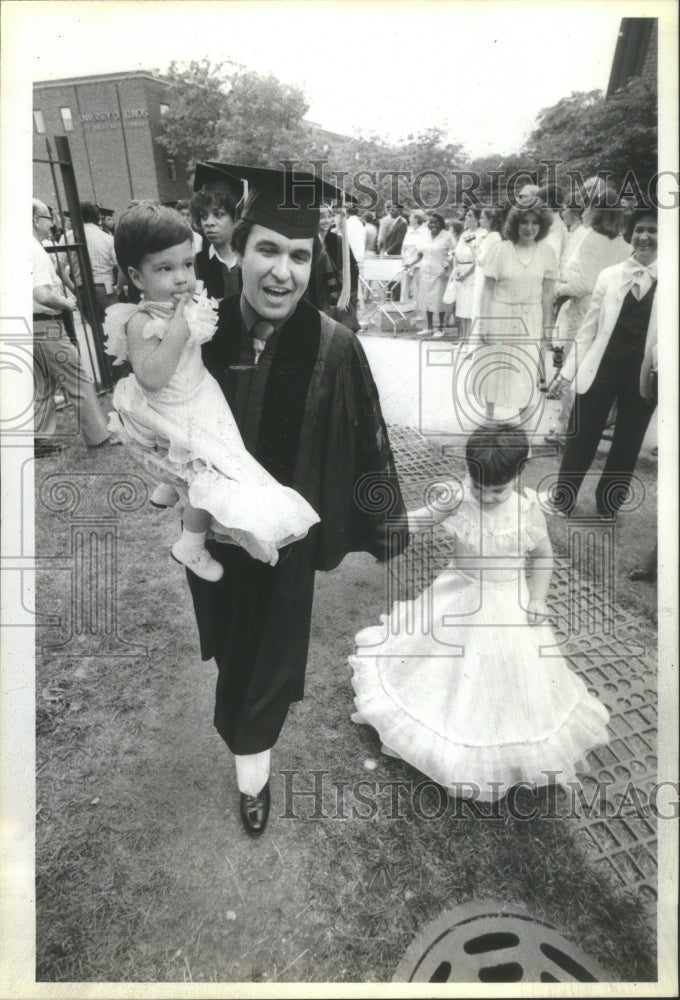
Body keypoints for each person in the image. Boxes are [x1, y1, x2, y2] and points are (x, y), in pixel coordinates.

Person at [183, 163, 409, 836]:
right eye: (269, 250)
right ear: (239, 250)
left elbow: (365, 437)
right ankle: (246, 732)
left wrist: (378, 520)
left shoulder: (334, 346)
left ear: (316, 262)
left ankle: (252, 773)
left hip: (282, 543)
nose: (283, 272)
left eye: (300, 255)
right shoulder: (203, 329)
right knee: (231, 643)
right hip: (215, 537)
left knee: (265, 659)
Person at [349, 423, 610, 799]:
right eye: (479, 488)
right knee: (441, 664)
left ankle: (503, 743)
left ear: (520, 473)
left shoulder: (527, 511)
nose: (486, 498)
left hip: (507, 604)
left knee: (509, 675)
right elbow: (423, 517)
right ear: (468, 473)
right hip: (459, 593)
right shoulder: (457, 496)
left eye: (497, 491)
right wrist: (391, 526)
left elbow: (542, 556)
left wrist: (537, 598)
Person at [104, 203, 319, 579]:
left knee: (207, 460)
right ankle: (191, 544)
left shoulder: (179, 306)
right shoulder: (141, 321)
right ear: (138, 278)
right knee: (210, 469)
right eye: (165, 269)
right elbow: (152, 378)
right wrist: (179, 328)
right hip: (173, 405)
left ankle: (169, 488)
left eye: (187, 264)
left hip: (198, 395)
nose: (182, 278)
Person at [545, 208, 658, 519]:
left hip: (645, 374)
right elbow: (588, 330)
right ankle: (563, 500)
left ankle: (608, 506)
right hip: (602, 366)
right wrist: (566, 373)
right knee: (581, 435)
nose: (644, 236)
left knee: (628, 440)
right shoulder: (610, 276)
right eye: (639, 229)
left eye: (653, 230)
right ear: (630, 234)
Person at [32, 198, 114, 456]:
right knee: (76, 378)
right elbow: (43, 294)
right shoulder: (34, 250)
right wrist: (67, 302)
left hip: (28, 324)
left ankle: (37, 438)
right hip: (46, 325)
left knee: (42, 382)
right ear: (36, 220)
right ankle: (99, 436)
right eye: (48, 218)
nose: (52, 223)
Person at [548, 193, 629, 445]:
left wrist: (557, 290)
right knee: (595, 368)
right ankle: (591, 423)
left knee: (573, 365)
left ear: (598, 211)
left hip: (584, 310)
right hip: (611, 312)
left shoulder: (591, 239)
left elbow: (584, 283)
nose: (583, 212)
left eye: (589, 207)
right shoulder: (623, 243)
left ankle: (565, 428)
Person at [480, 203, 557, 420]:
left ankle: (524, 430)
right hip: (500, 315)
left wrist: (547, 328)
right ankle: (489, 418)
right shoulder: (501, 249)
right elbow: (487, 289)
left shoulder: (547, 252)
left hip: (531, 318)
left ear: (542, 226)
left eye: (534, 223)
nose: (529, 228)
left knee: (526, 371)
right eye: (524, 221)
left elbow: (548, 294)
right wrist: (484, 323)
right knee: (496, 368)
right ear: (515, 223)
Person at [306, 203, 360, 332]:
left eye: (329, 216)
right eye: (321, 217)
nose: (326, 220)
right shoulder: (308, 241)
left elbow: (352, 270)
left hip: (333, 294)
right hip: (312, 292)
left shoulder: (338, 241)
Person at [191, 170, 242, 301]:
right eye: (204, 216)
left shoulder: (249, 259)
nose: (209, 223)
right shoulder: (197, 264)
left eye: (218, 214)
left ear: (236, 217)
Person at [413, 213, 454, 337]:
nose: (433, 225)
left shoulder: (447, 236)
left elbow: (453, 252)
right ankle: (429, 327)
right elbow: (420, 254)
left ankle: (440, 328)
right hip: (425, 271)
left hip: (440, 273)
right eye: (431, 222)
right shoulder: (425, 236)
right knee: (426, 299)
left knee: (439, 301)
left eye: (436, 222)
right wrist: (410, 262)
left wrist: (446, 265)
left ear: (441, 224)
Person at [471, 205, 504, 329]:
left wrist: (472, 249)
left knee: (482, 305)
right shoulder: (488, 236)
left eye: (483, 218)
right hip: (480, 274)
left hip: (485, 275)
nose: (480, 221)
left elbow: (482, 260)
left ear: (491, 220)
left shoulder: (494, 237)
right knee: (477, 305)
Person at [452, 207, 482, 344]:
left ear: (477, 219)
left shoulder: (482, 234)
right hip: (460, 272)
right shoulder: (464, 234)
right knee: (461, 307)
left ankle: (470, 339)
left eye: (470, 215)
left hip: (472, 274)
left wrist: (466, 274)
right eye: (467, 215)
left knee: (470, 307)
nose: (466, 218)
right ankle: (462, 337)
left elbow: (479, 258)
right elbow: (456, 253)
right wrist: (456, 269)